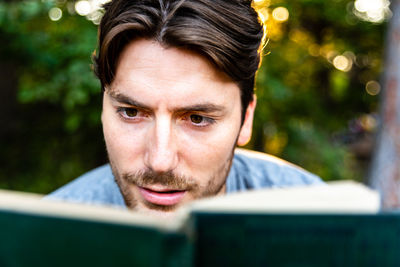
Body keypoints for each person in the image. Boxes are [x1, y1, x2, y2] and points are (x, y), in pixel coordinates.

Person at [47, 0, 322, 217]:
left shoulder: (320, 221)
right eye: (131, 112)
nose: (160, 161)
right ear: (104, 109)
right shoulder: (44, 241)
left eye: (197, 118)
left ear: (246, 118)